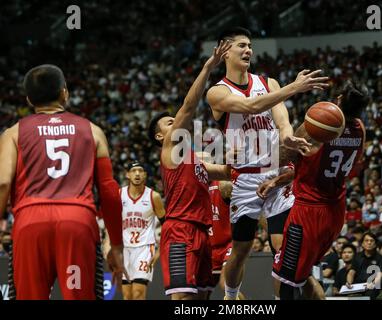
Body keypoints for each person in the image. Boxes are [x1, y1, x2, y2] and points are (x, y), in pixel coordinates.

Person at [206, 26, 329, 300]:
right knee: (241, 250)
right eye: (241, 45)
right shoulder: (217, 93)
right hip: (245, 179)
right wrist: (293, 88)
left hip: (276, 174)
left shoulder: (269, 82)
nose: (248, 50)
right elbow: (251, 107)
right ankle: (231, 295)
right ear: (225, 50)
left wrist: (289, 139)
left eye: (250, 45)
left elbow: (282, 122)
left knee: (282, 247)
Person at [0, 64, 126, 300]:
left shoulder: (13, 133)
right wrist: (116, 245)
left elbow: (3, 185)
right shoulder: (93, 131)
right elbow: (109, 192)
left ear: (28, 99)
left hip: (30, 223)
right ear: (64, 93)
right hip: (77, 223)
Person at [258, 80, 368, 299]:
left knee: (284, 278)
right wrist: (282, 180)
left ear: (338, 100)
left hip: (308, 212)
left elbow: (282, 157)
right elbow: (344, 166)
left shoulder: (318, 124)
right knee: (304, 274)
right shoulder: (360, 130)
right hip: (336, 211)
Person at [147, 41, 232, 300]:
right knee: (182, 298)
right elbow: (188, 106)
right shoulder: (171, 151)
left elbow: (227, 171)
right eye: (170, 123)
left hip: (204, 233)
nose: (177, 123)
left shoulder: (196, 160)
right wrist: (208, 67)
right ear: (161, 136)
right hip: (180, 231)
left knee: (202, 297)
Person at [121, 161, 165, 300]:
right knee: (127, 296)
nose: (137, 174)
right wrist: (109, 244)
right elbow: (112, 223)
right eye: (134, 171)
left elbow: (167, 225)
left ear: (145, 174)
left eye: (140, 170)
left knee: (138, 293)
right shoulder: (118, 195)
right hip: (124, 248)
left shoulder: (153, 196)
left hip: (144, 248)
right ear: (127, 174)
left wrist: (159, 251)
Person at [346, 232, 382, 300]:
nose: (369, 242)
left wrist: (372, 284)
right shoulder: (357, 257)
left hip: (377, 287)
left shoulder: (379, 258)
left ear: (375, 244)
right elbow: (351, 273)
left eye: (371, 241)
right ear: (362, 244)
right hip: (360, 287)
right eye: (366, 240)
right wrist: (349, 282)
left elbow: (380, 275)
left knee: (370, 293)